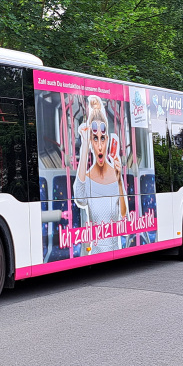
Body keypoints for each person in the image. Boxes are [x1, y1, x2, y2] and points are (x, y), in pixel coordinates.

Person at [73, 95, 128, 254]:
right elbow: (80, 198)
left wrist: (119, 180)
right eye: (94, 139)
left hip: (116, 250)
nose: (99, 145)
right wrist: (84, 146)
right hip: (95, 252)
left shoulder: (115, 172)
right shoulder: (87, 178)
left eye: (102, 138)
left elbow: (123, 213)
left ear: (108, 140)